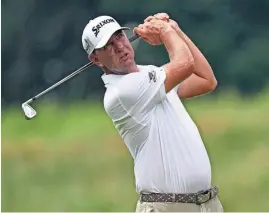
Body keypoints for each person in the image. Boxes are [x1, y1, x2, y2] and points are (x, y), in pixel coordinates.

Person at [81, 13, 224, 212]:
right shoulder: (123, 92)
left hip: (205, 205)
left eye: (120, 37)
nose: (120, 47)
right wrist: (166, 32)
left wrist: (176, 30)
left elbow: (206, 80)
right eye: (108, 46)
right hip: (165, 207)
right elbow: (184, 64)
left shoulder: (151, 76)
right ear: (95, 59)